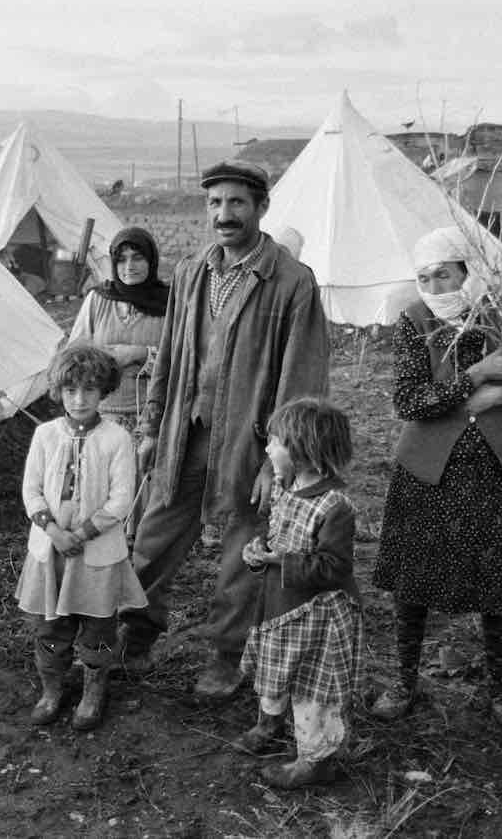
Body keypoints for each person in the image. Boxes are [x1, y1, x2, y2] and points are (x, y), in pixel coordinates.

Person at [117, 159, 331, 701]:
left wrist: (276, 460)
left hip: (249, 445)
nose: (224, 214)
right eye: (215, 203)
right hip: (183, 436)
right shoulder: (193, 272)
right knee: (152, 542)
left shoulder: (291, 282)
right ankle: (135, 637)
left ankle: (226, 656)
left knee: (242, 557)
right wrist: (150, 427)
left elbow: (301, 382)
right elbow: (168, 357)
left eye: (237, 203)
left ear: (261, 208)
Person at [370, 225, 502, 728]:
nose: (436, 286)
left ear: (468, 270)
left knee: (499, 579)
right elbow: (409, 401)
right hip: (427, 471)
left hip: (493, 468)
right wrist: (478, 379)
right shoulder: (414, 322)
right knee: (415, 580)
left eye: (445, 274)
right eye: (425, 277)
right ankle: (404, 682)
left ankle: (498, 690)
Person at [18, 345, 146, 731]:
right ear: (59, 391)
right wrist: (55, 531)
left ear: (103, 391)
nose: (79, 399)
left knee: (98, 623)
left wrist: (84, 532)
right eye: (71, 390)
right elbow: (31, 489)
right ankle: (52, 688)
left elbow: (122, 497)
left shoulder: (117, 438)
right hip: (52, 550)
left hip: (97, 551)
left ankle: (93, 688)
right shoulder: (44, 435)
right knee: (51, 623)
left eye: (90, 390)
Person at [236, 398, 359, 790]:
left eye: (276, 442)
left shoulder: (335, 506)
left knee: (310, 685)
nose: (269, 449)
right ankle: (269, 721)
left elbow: (334, 567)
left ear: (305, 449)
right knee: (275, 664)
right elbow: (275, 537)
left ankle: (315, 760)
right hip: (280, 605)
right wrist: (259, 555)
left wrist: (278, 560)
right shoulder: (286, 489)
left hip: (315, 615)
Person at [65, 227, 169, 434]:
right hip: (101, 418)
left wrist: (141, 354)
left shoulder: (170, 303)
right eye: (121, 259)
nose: (129, 266)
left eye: (138, 258)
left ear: (151, 260)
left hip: (155, 421)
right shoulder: (98, 299)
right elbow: (74, 357)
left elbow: (185, 360)